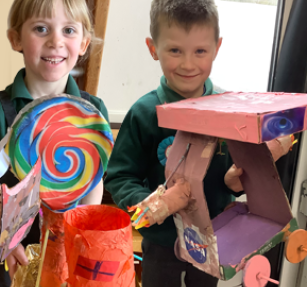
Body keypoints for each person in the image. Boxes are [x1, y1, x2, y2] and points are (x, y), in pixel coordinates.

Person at [0, 0, 109, 285]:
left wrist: (83, 233)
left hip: (70, 245)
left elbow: (94, 181)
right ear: (15, 39)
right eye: (41, 29)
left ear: (84, 43)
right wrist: (4, 239)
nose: (55, 41)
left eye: (68, 30)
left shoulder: (92, 112)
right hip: (9, 247)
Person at [104, 0, 243, 286]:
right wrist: (153, 204)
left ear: (217, 48)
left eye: (200, 51)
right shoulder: (144, 113)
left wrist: (240, 181)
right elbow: (120, 177)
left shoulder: (230, 110)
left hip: (212, 241)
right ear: (153, 49)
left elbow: (237, 172)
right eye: (175, 50)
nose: (188, 64)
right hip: (162, 246)